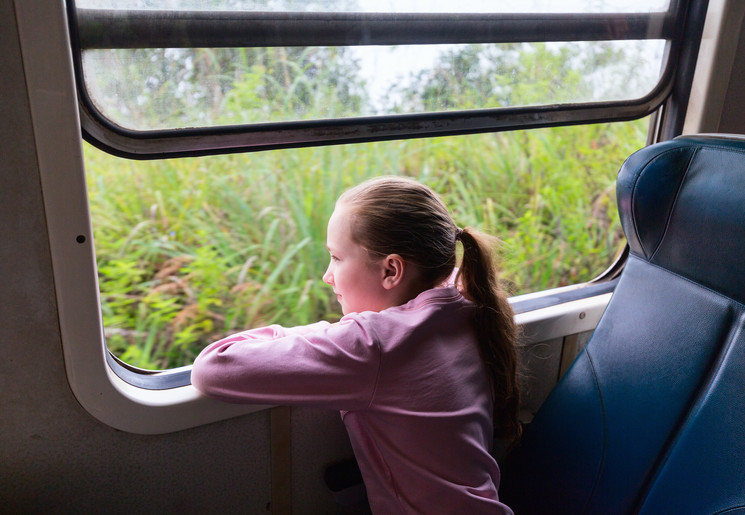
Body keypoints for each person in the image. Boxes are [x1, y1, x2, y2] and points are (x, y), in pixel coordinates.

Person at [191, 176, 519, 514]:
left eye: (336, 257)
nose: (327, 275)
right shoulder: (467, 303)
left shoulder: (373, 345)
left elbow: (213, 368)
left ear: (391, 270)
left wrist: (326, 331)